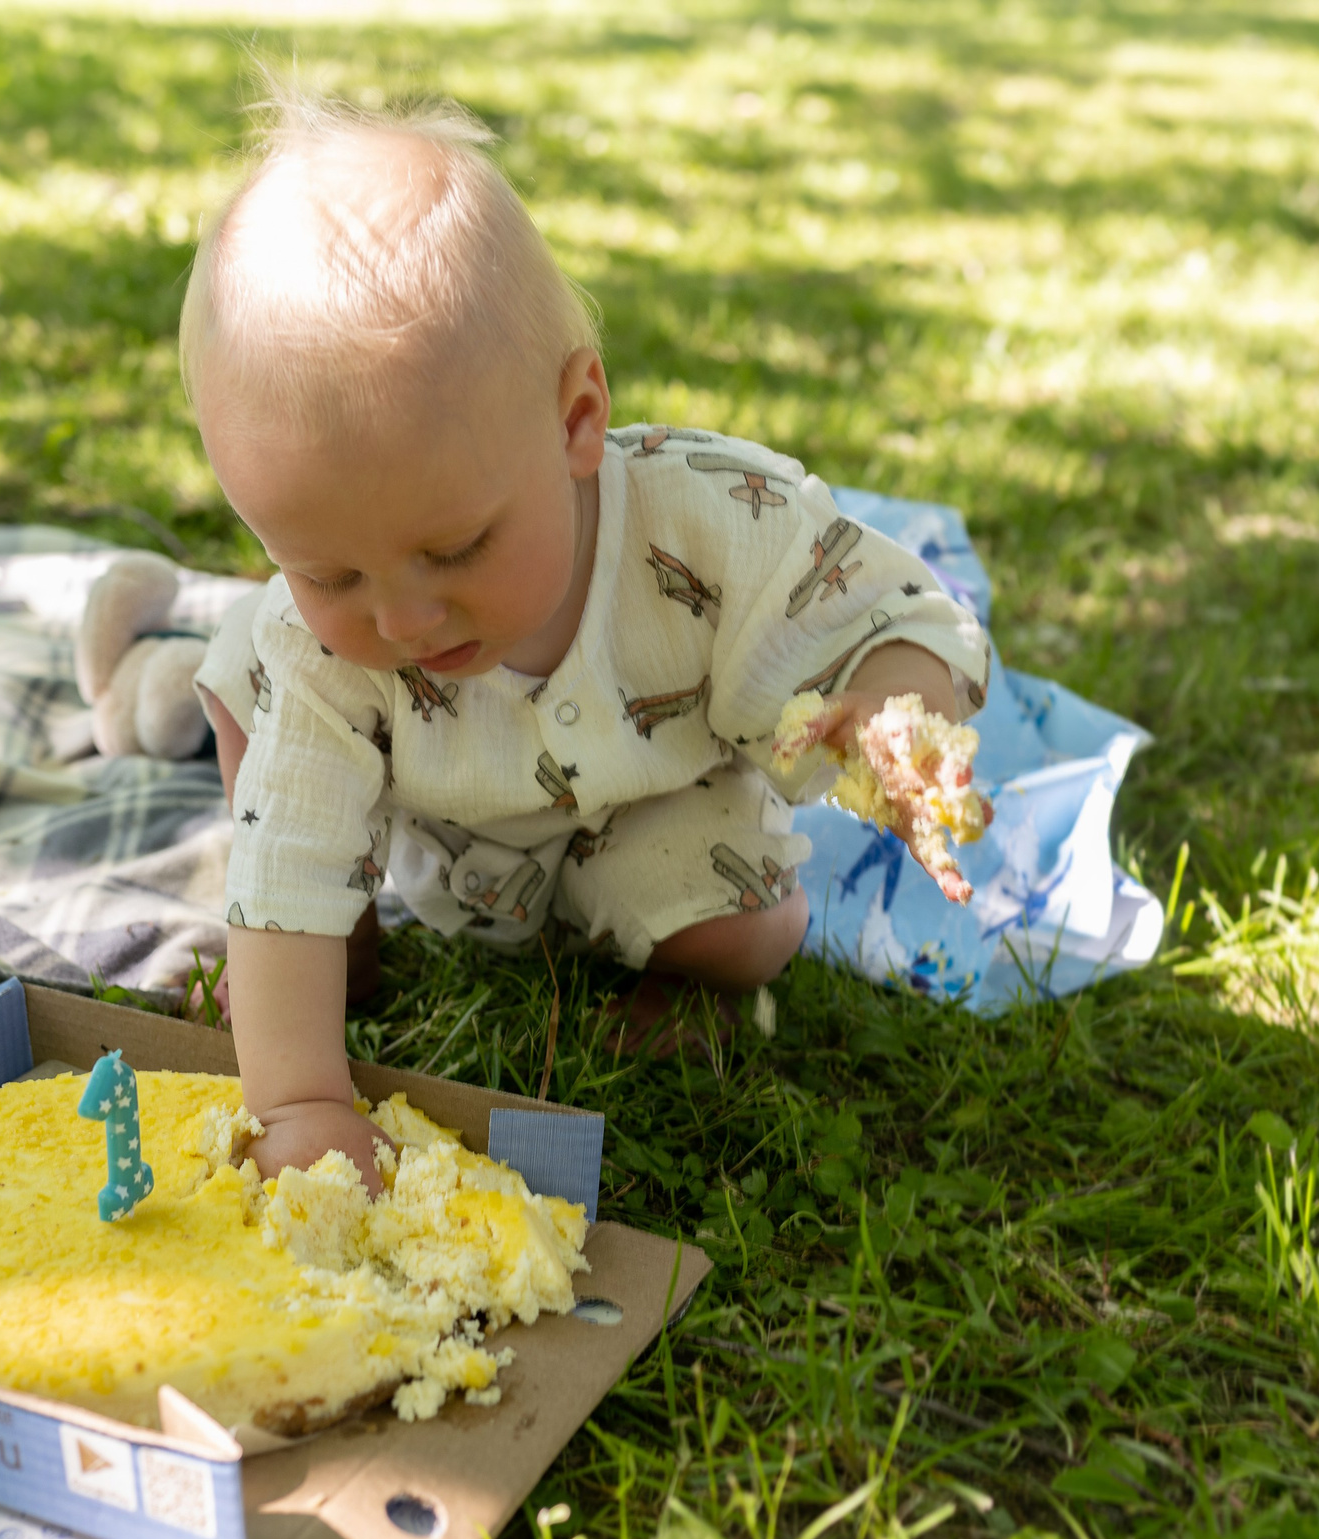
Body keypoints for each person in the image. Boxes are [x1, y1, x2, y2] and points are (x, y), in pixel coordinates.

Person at [185, 90, 990, 1187]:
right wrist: (301, 1102)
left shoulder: (715, 523)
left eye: (457, 548)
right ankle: (347, 940)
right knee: (250, 689)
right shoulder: (328, 650)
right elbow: (278, 861)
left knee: (745, 936)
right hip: (429, 816)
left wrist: (898, 712)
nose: (404, 620)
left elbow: (888, 619)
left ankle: (682, 986)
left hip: (647, 798)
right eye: (330, 571)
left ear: (574, 420)